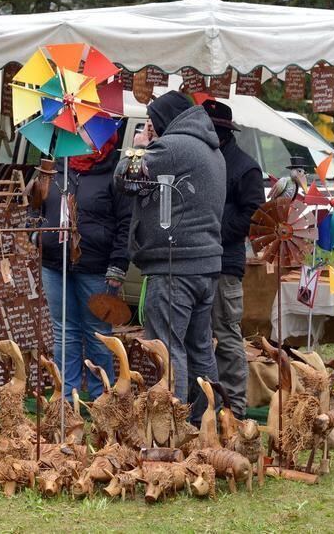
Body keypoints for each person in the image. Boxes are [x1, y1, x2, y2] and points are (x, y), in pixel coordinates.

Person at [114, 91, 226, 424]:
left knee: (166, 346)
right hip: (205, 265)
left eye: (151, 123)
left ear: (164, 122)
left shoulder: (172, 148)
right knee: (200, 347)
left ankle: (170, 423)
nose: (149, 129)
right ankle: (207, 422)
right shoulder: (210, 148)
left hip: (174, 266)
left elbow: (123, 176)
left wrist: (137, 145)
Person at [39, 133, 132, 400]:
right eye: (77, 131)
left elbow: (127, 222)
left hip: (97, 266)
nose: (80, 137)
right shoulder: (59, 167)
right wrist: (39, 229)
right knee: (64, 332)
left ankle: (102, 396)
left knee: (98, 333)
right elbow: (41, 206)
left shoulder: (115, 172)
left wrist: (118, 264)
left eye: (87, 132)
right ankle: (66, 397)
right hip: (55, 264)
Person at [202, 99, 266, 419]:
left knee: (226, 335)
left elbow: (255, 215)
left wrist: (217, 230)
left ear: (224, 132)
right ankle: (205, 406)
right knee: (200, 337)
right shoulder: (202, 159)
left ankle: (236, 409)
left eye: (212, 128)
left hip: (225, 262)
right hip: (199, 259)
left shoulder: (244, 166)